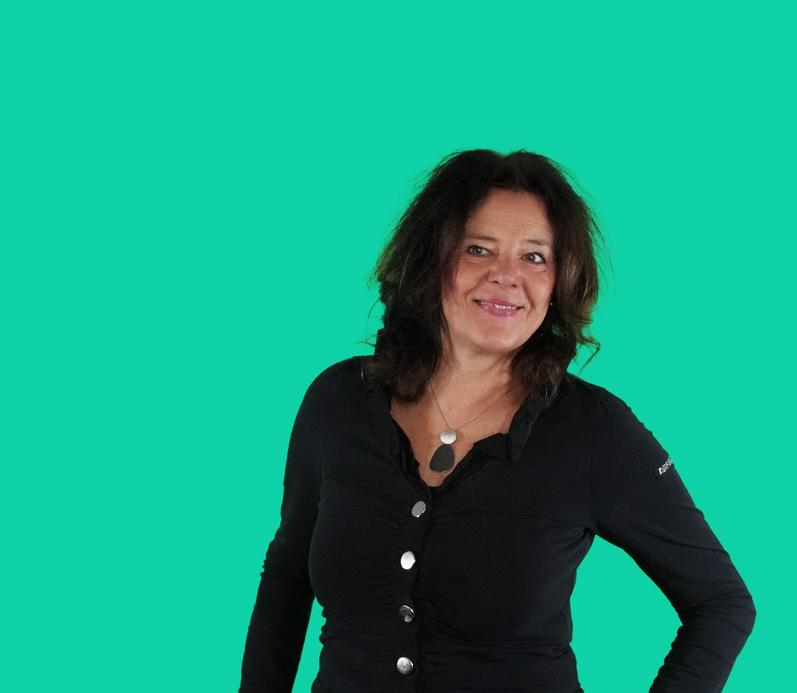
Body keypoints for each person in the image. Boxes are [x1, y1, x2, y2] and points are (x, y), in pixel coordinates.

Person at [239, 149, 756, 692]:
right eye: (477, 249)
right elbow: (286, 579)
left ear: (560, 281)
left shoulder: (593, 429)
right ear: (430, 260)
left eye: (535, 257)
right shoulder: (338, 400)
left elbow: (721, 603)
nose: (506, 276)